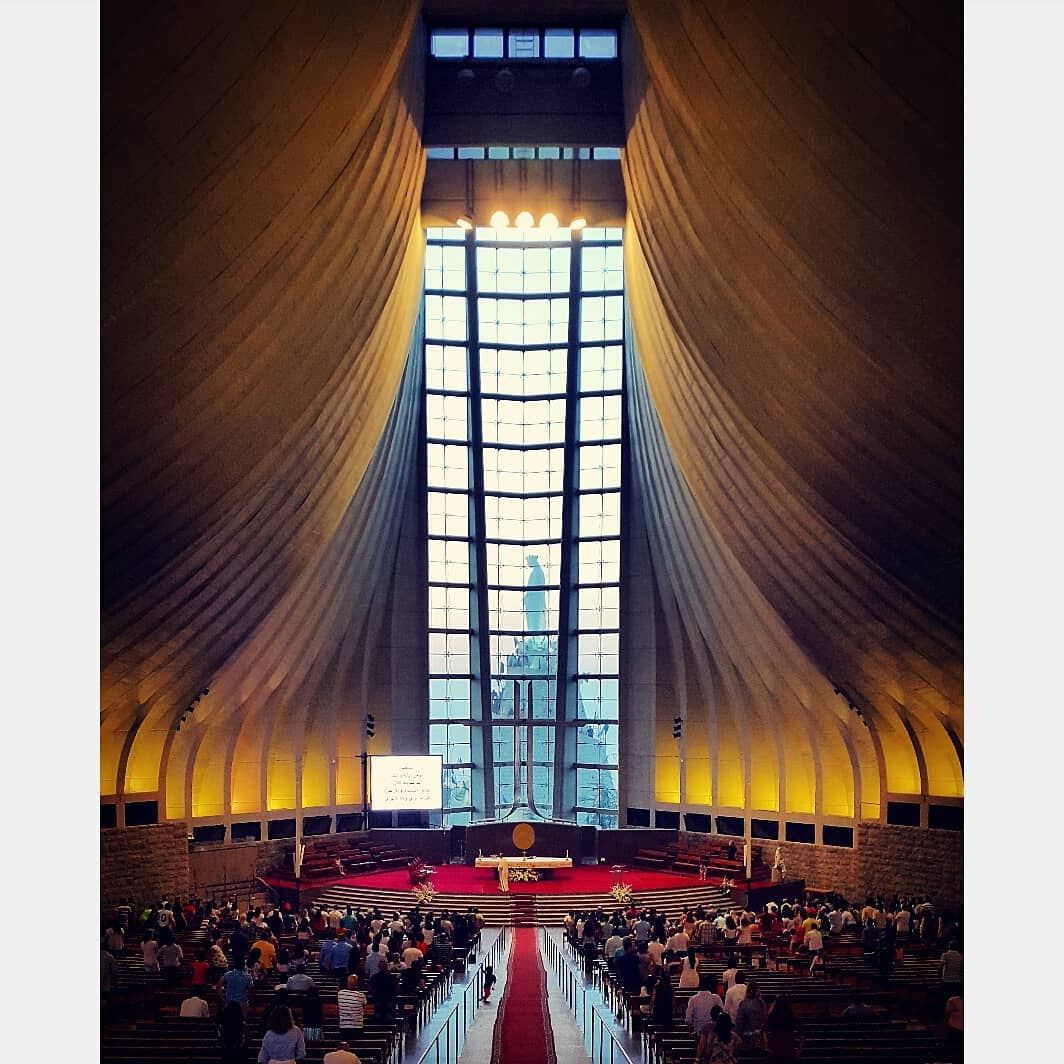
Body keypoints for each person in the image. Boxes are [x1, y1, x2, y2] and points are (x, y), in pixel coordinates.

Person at [765, 994, 803, 1060]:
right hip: (788, 1049)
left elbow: (765, 1029)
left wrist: (766, 1045)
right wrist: (799, 1049)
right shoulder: (791, 1016)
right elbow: (802, 1033)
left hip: (774, 1049)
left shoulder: (773, 1017)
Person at [734, 979, 766, 1051]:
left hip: (746, 1039)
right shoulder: (761, 1003)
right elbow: (764, 1021)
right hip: (760, 1039)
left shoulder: (743, 1004)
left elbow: (739, 1023)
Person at [337, 974, 367, 1040]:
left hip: (344, 1027)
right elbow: (364, 1006)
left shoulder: (340, 994)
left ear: (347, 983)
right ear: (357, 984)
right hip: (357, 1027)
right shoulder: (361, 996)